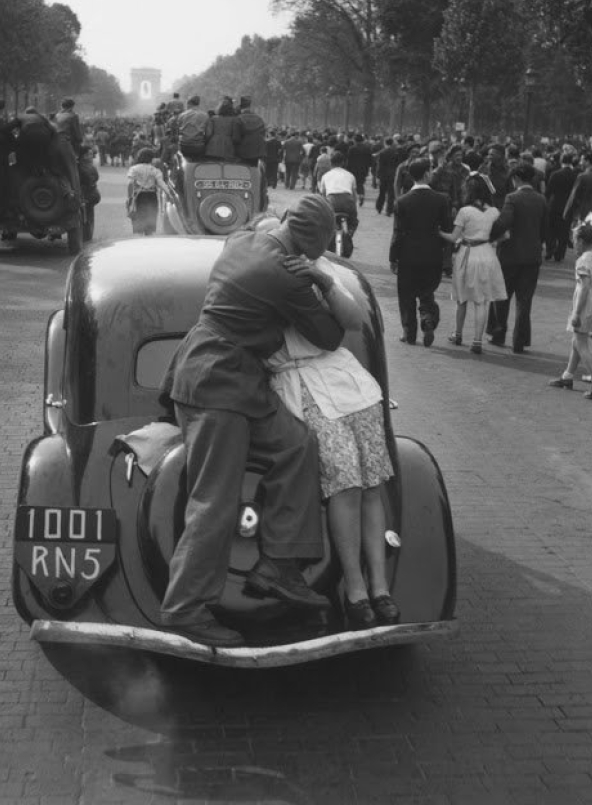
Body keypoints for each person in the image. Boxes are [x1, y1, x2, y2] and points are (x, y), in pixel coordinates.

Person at [158, 194, 344, 647]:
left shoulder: (240, 240)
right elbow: (329, 335)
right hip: (220, 385)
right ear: (312, 244)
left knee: (296, 444)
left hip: (219, 374)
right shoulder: (287, 275)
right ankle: (184, 609)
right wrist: (320, 281)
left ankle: (278, 565)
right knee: (214, 501)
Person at [262, 225, 400, 629]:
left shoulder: (319, 268)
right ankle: (354, 587)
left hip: (349, 382)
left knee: (371, 485)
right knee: (345, 485)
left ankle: (380, 585)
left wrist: (321, 279)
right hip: (299, 382)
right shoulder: (257, 277)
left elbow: (354, 319)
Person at [548, 223, 592, 399]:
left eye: (574, 240)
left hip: (586, 304)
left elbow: (584, 288)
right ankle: (568, 376)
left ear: (580, 241)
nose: (574, 244)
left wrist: (576, 313)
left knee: (581, 342)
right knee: (578, 339)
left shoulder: (582, 261)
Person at [438, 174, 507, 354]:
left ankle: (458, 334)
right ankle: (477, 341)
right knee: (481, 301)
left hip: (467, 254)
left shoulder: (465, 211)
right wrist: (490, 240)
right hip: (487, 254)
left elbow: (453, 237)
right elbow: (505, 235)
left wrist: (439, 233)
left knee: (461, 299)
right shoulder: (494, 211)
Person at [389, 158, 453, 347]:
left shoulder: (402, 201)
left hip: (407, 255)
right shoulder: (441, 199)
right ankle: (428, 318)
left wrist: (393, 257)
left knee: (406, 295)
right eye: (431, 170)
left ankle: (409, 333)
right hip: (432, 254)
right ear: (426, 174)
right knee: (427, 292)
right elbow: (447, 228)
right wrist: (441, 248)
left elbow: (397, 233)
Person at [486, 162, 549, 353]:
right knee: (524, 300)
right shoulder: (541, 199)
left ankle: (498, 333)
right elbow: (545, 229)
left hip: (509, 255)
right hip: (532, 257)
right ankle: (520, 340)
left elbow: (504, 222)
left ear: (516, 179)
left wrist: (490, 235)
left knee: (501, 296)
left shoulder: (512, 198)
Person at [126, 148, 170, 236]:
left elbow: (130, 183)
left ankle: (140, 237)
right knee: (150, 217)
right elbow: (161, 183)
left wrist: (130, 197)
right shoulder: (155, 170)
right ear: (151, 158)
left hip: (138, 196)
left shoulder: (133, 169)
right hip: (151, 196)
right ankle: (148, 237)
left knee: (138, 218)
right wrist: (169, 193)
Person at [545, 153, 578, 262]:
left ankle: (550, 249)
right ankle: (560, 253)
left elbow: (548, 191)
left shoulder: (555, 174)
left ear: (561, 161)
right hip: (568, 206)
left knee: (551, 229)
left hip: (554, 204)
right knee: (564, 231)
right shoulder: (575, 175)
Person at [318, 151, 358, 236]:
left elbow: (323, 195)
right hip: (348, 201)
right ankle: (349, 234)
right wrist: (353, 207)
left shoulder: (325, 176)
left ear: (330, 163)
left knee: (326, 221)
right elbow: (354, 195)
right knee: (353, 221)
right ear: (343, 162)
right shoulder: (350, 175)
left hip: (332, 201)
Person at [564, 151, 592, 225]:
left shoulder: (582, 177)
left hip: (582, 214)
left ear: (587, 161)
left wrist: (566, 213)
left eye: (582, 160)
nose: (580, 163)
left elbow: (573, 196)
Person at [174, 95, 208, 160]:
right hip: (198, 146)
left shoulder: (182, 115)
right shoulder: (205, 115)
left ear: (189, 103)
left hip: (183, 145)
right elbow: (208, 133)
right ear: (198, 103)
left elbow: (177, 131)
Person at [235, 96, 266, 165]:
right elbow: (263, 134)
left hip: (243, 148)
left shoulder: (238, 118)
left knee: (243, 168)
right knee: (253, 167)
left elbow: (236, 137)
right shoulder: (259, 118)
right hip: (257, 149)